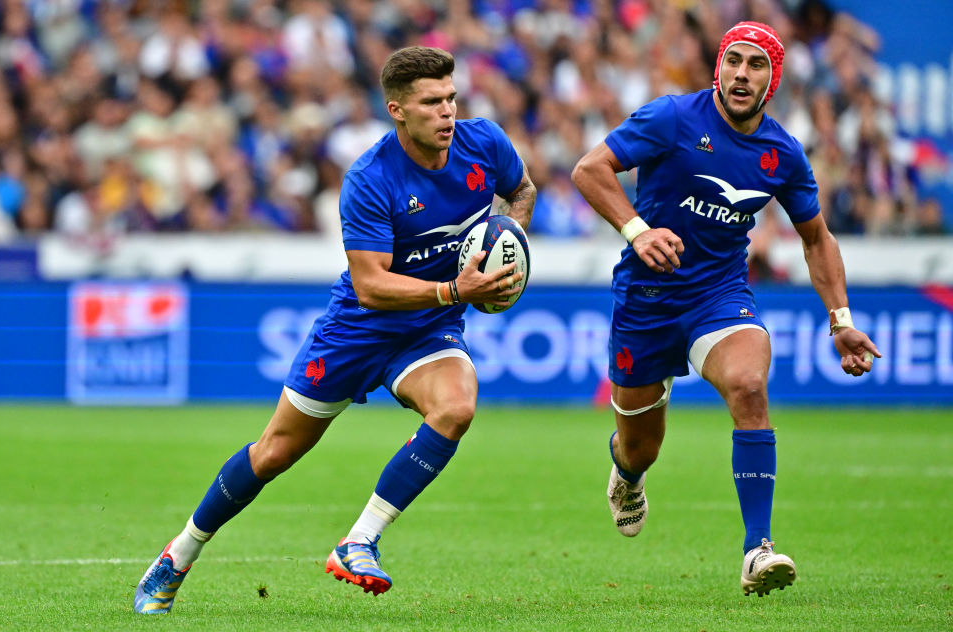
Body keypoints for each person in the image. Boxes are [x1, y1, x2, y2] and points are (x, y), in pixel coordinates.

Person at [133, 46, 536, 614]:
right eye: (431, 103)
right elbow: (371, 285)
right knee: (273, 453)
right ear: (397, 109)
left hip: (428, 330)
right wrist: (454, 290)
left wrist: (508, 242)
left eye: (451, 98)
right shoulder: (370, 179)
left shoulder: (485, 142)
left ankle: (358, 541)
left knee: (456, 408)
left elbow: (522, 190)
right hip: (358, 329)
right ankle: (178, 554)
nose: (447, 113)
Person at [571, 21, 881, 597]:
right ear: (719, 67)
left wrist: (841, 321)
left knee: (748, 385)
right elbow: (590, 170)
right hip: (647, 299)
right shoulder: (671, 117)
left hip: (719, 294)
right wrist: (638, 230)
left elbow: (817, 238)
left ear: (773, 78)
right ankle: (627, 472)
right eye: (733, 60)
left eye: (756, 64)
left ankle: (756, 550)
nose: (742, 73)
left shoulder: (783, 153)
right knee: (643, 446)